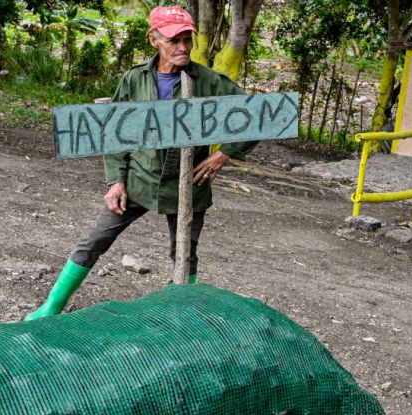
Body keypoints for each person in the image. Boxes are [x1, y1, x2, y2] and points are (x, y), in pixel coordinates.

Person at [25, 6, 257, 320]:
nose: (184, 47)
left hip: (188, 183)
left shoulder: (208, 81)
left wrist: (225, 153)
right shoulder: (134, 79)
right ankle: (50, 307)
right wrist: (116, 180)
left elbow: (258, 114)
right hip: (138, 178)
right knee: (94, 239)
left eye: (188, 39)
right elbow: (116, 132)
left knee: (184, 256)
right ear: (154, 40)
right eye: (175, 40)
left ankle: (179, 318)